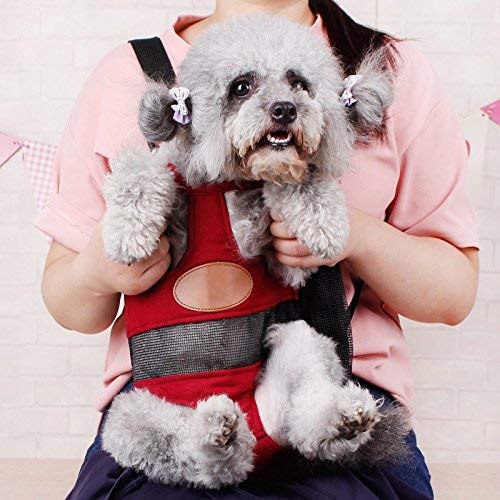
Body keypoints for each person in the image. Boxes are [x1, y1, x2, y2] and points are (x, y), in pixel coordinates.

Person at [36, 1, 479, 498]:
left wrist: (353, 236)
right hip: (167, 394)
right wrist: (100, 269)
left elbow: (453, 294)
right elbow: (68, 302)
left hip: (331, 394)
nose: (280, 103)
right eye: (243, 89)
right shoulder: (126, 72)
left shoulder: (392, 68)